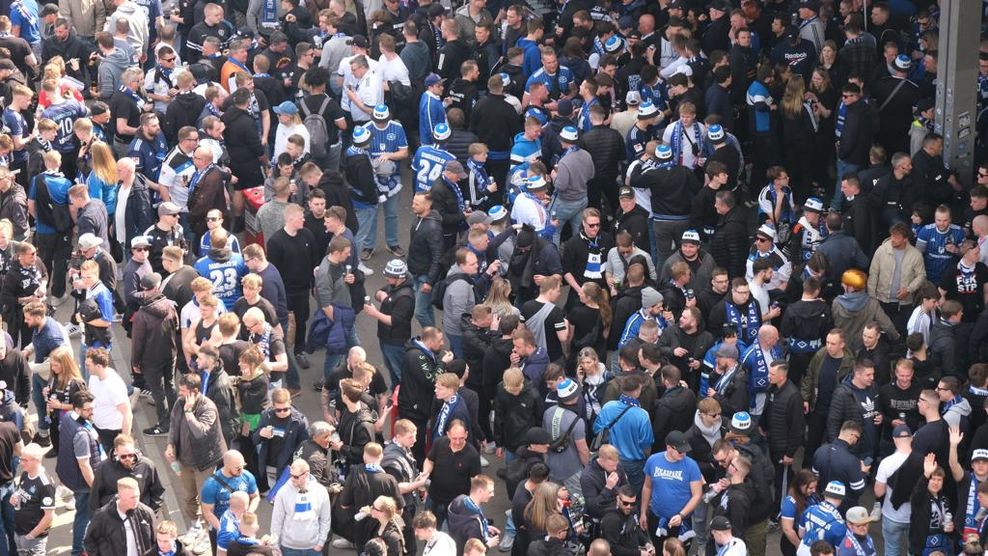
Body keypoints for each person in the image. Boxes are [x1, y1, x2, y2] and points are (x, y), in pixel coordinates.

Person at [165, 373, 227, 532]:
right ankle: (195, 524)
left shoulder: (208, 407)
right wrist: (170, 444)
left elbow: (200, 433)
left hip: (204, 462)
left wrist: (189, 412)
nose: (180, 394)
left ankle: (208, 531)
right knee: (188, 496)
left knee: (205, 498)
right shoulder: (179, 403)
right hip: (184, 460)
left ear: (195, 391)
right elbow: (173, 425)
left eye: (184, 391)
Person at [56, 390, 106, 556]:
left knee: (84, 514)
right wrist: (95, 488)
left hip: (72, 476)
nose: (91, 412)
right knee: (83, 516)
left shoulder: (70, 417)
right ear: (77, 409)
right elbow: (85, 466)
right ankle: (78, 551)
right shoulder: (81, 435)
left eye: (92, 408)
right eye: (87, 409)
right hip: (84, 483)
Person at [641, 431, 703, 549]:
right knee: (659, 550)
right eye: (680, 451)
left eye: (685, 450)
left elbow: (697, 494)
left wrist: (681, 515)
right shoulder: (653, 460)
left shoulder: (691, 465)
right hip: (657, 517)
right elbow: (647, 486)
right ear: (669, 448)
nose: (683, 454)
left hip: (681, 521)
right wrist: (643, 512)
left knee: (679, 552)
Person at [422, 420, 481, 527]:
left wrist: (473, 503)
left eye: (461, 438)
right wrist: (425, 473)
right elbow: (429, 460)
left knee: (454, 536)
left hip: (456, 505)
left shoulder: (472, 455)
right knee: (429, 530)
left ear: (466, 434)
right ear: (448, 434)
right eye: (454, 438)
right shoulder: (439, 443)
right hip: (434, 498)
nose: (457, 442)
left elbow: (475, 481)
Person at [270, 459, 332, 555]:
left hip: (314, 548)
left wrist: (321, 542)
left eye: (296, 477)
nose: (292, 479)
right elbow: (276, 521)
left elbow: (325, 519)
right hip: (289, 548)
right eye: (290, 475)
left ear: (306, 474)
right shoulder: (282, 492)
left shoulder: (321, 491)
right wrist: (275, 545)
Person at [89, 434, 164, 512]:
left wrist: (150, 513)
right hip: (114, 516)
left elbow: (158, 492)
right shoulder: (104, 468)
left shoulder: (147, 465)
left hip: (139, 515)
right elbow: (95, 497)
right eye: (123, 456)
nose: (128, 459)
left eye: (131, 455)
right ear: (116, 452)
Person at [83, 477, 156, 556]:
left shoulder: (147, 513)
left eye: (137, 496)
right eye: (132, 497)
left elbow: (155, 542)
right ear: (120, 496)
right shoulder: (102, 516)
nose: (136, 500)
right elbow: (89, 541)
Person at [10, 442, 54, 556]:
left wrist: (31, 536)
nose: (21, 463)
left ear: (36, 460)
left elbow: (49, 516)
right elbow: (19, 491)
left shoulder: (45, 485)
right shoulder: (26, 474)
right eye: (21, 459)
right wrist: (14, 496)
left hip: (33, 538)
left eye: (25, 460)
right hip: (19, 531)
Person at [811, 421, 866, 511]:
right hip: (844, 507)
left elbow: (814, 477)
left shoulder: (820, 451)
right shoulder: (851, 460)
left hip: (822, 501)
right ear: (852, 435)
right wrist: (863, 472)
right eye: (857, 438)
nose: (856, 441)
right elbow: (859, 489)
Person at [446, 474, 501, 553]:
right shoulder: (474, 526)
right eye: (490, 492)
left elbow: (462, 525)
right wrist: (488, 545)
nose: (493, 494)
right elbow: (474, 553)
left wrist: (484, 527)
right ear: (480, 491)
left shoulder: (459, 499)